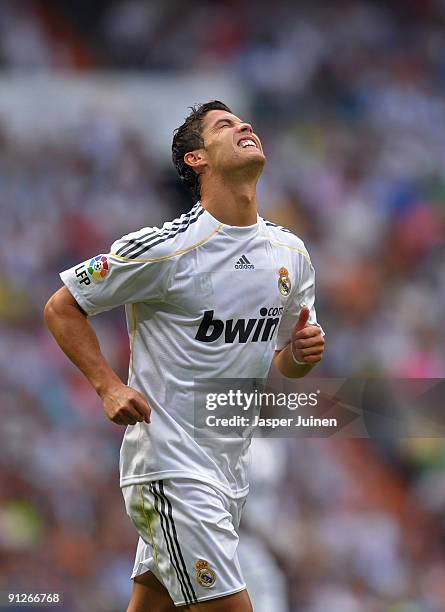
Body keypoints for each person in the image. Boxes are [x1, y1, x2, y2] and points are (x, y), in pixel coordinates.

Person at [44, 100, 325, 611]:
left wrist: (302, 354)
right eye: (224, 125)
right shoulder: (166, 248)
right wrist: (108, 385)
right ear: (197, 159)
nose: (244, 125)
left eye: (244, 121)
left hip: (226, 472)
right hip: (171, 467)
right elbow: (63, 307)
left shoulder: (291, 255)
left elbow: (286, 359)